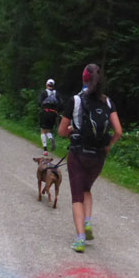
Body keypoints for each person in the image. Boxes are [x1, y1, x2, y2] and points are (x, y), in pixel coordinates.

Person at [58, 64, 122, 253]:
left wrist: (72, 131)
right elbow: (118, 131)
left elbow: (61, 131)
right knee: (87, 188)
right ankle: (87, 221)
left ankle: (80, 239)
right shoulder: (107, 102)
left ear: (84, 78)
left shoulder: (76, 100)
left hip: (78, 153)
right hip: (98, 156)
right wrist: (108, 145)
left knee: (77, 195)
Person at [38, 79, 61, 155]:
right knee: (48, 130)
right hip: (53, 113)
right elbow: (61, 103)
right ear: (53, 86)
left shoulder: (44, 92)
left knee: (42, 130)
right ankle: (51, 138)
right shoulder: (56, 93)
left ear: (46, 84)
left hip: (45, 112)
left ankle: (45, 150)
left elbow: (39, 102)